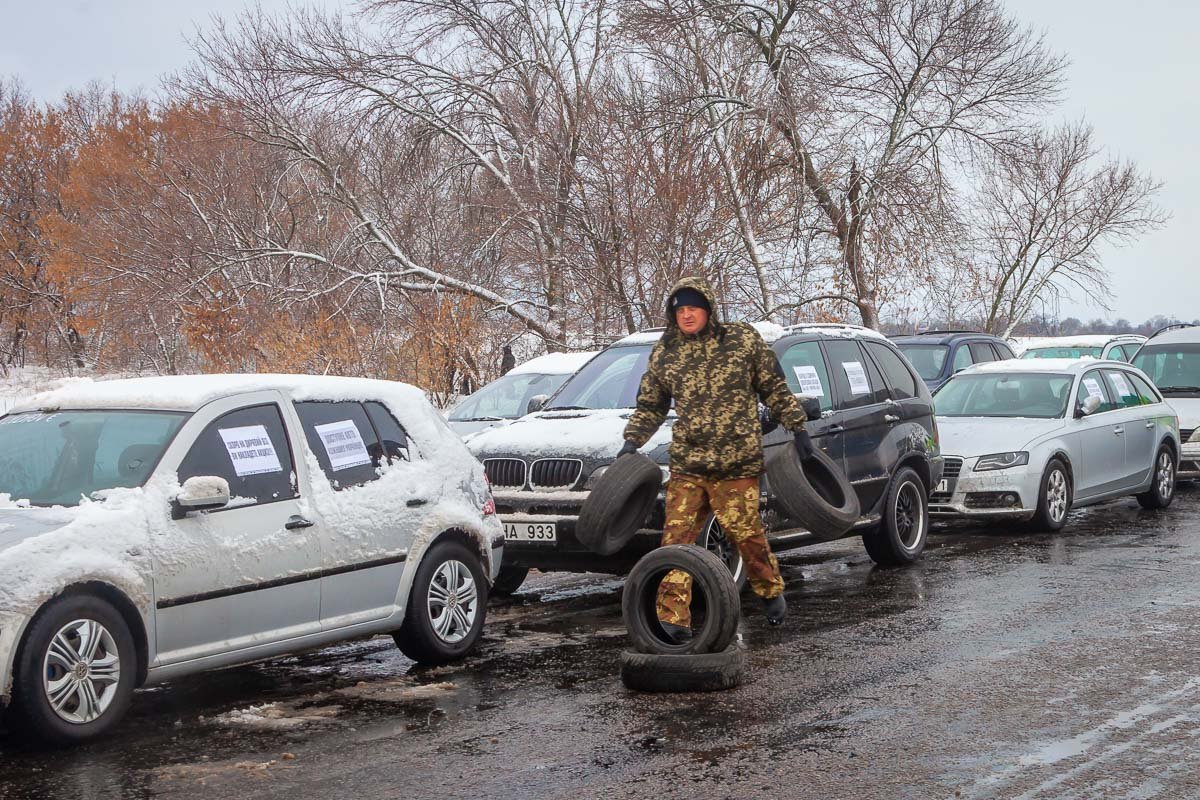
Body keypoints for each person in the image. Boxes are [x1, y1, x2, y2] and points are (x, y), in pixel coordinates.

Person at [620, 277, 814, 638]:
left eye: (693, 308)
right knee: (676, 543)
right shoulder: (666, 351)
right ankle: (673, 619)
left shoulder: (741, 341)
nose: (687, 315)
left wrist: (798, 428)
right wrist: (632, 440)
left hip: (735, 463)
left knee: (746, 535)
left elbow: (773, 386)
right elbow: (651, 404)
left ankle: (770, 592)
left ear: (708, 309)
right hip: (689, 464)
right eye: (680, 310)